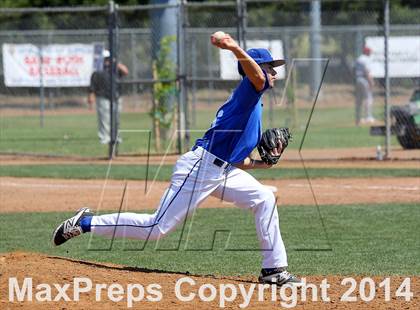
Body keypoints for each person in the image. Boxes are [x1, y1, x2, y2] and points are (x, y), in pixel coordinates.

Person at [53, 33, 302, 286]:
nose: (275, 73)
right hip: (200, 168)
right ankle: (84, 223)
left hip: (222, 170)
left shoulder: (252, 104)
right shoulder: (250, 90)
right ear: (256, 69)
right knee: (156, 229)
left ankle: (274, 270)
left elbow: (235, 160)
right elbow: (256, 76)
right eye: (270, 67)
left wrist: (264, 164)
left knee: (264, 198)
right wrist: (232, 46)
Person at [88, 49, 129, 144]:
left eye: (108, 59)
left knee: (116, 118)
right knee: (104, 119)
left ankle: (116, 137)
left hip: (116, 97)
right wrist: (91, 98)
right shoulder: (97, 72)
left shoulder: (116, 70)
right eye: (105, 59)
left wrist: (116, 63)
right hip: (102, 97)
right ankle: (105, 138)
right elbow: (92, 87)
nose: (107, 61)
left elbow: (126, 71)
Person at [354, 46, 375, 125]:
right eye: (369, 52)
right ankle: (368, 117)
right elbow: (367, 71)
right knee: (368, 98)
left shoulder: (359, 59)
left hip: (357, 79)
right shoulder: (366, 59)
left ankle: (358, 118)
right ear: (366, 52)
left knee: (359, 100)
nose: (370, 53)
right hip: (364, 80)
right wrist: (371, 81)